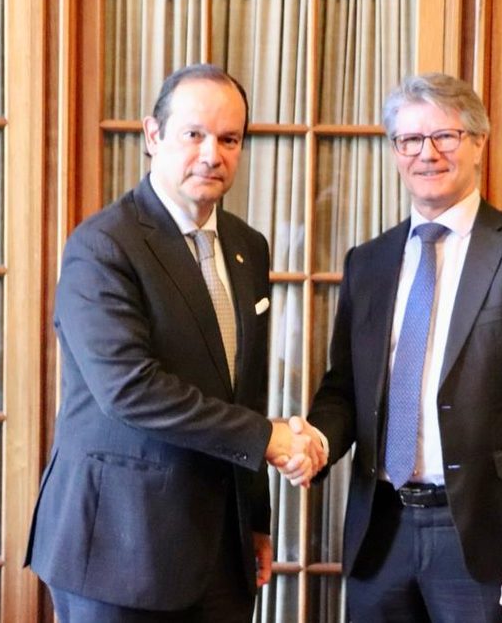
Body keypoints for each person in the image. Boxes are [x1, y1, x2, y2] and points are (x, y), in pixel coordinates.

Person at [25, 64, 325, 622]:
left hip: (221, 553)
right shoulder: (104, 244)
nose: (212, 154)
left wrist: (254, 520)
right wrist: (269, 438)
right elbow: (130, 389)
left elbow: (243, 390)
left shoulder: (247, 247)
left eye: (229, 139)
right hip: (119, 551)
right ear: (153, 135)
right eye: (194, 134)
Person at [301, 73, 502, 622]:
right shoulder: (368, 262)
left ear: (479, 142)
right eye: (410, 139)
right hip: (380, 530)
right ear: (395, 150)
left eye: (445, 136)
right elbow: (344, 390)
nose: (427, 153)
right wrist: (316, 440)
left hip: (485, 538)